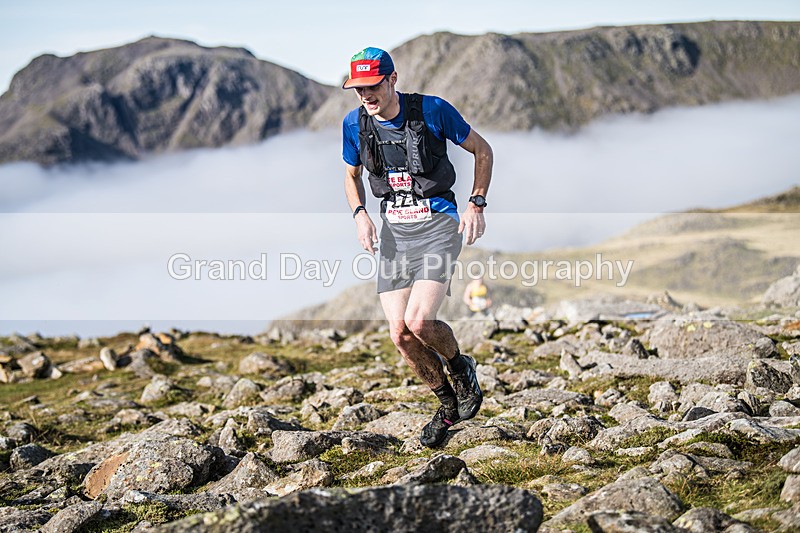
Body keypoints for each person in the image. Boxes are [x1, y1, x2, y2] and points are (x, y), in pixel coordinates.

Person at [341, 47, 494, 447]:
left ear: (392, 79)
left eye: (372, 87)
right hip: (394, 230)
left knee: (421, 322)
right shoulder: (355, 124)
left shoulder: (433, 110)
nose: (365, 96)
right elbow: (351, 176)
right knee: (400, 334)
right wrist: (360, 213)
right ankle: (446, 405)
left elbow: (483, 150)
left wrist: (476, 202)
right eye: (358, 90)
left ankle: (461, 367)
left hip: (438, 223)